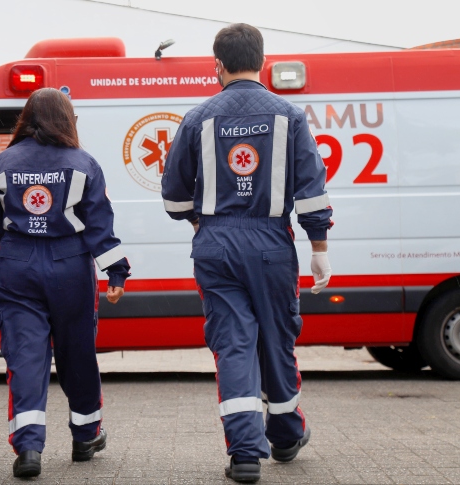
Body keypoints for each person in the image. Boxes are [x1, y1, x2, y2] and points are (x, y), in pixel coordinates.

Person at [161, 24, 333, 483]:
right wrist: (319, 248)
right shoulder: (290, 116)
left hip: (215, 247)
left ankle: (244, 455)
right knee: (277, 340)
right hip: (272, 245)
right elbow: (312, 192)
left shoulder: (198, 118)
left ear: (216, 64)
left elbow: (174, 197)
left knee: (233, 344)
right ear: (263, 60)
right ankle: (284, 435)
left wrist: (202, 222)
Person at [0, 88, 130, 478]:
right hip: (70, 267)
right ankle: (86, 435)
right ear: (66, 119)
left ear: (27, 118)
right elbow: (99, 226)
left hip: (18, 265)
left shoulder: (2, 163)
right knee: (77, 354)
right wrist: (116, 272)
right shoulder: (83, 164)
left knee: (26, 356)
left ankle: (28, 448)